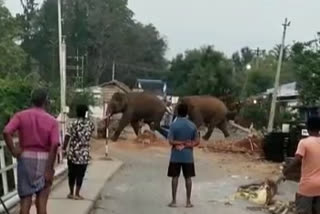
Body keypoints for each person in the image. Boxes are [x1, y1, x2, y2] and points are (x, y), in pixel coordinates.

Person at [3, 89, 59, 214]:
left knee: (25, 202)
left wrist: (13, 150)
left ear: (32, 100)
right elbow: (54, 144)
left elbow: (7, 131)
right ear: (46, 101)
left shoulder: (21, 116)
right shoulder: (52, 121)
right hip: (45, 160)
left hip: (25, 158)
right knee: (42, 202)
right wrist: (49, 169)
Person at [283, 116, 320, 214]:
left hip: (307, 186)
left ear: (307, 128)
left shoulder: (304, 143)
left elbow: (296, 160)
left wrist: (285, 171)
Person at [167, 103, 199, 208]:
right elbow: (197, 141)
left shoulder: (173, 125)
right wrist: (187, 144)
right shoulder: (192, 125)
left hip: (176, 155)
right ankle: (188, 202)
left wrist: (178, 143)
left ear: (177, 112)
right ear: (187, 113)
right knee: (188, 178)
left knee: (174, 177)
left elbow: (170, 141)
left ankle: (173, 201)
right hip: (188, 156)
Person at [63, 104, 94, 200]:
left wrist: (64, 149)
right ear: (86, 113)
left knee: (71, 173)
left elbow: (67, 136)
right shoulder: (90, 124)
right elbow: (90, 135)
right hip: (84, 153)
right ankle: (77, 194)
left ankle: (71, 193)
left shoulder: (73, 123)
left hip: (73, 152)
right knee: (80, 174)